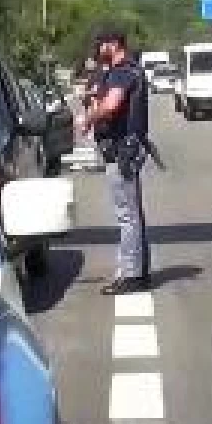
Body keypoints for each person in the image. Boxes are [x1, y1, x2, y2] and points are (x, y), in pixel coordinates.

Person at [77, 29, 151, 294]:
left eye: (101, 44)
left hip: (122, 151)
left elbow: (111, 105)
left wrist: (88, 119)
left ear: (113, 44)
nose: (98, 49)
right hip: (124, 149)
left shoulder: (122, 72)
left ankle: (132, 275)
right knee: (132, 214)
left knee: (127, 215)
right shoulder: (127, 71)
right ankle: (138, 272)